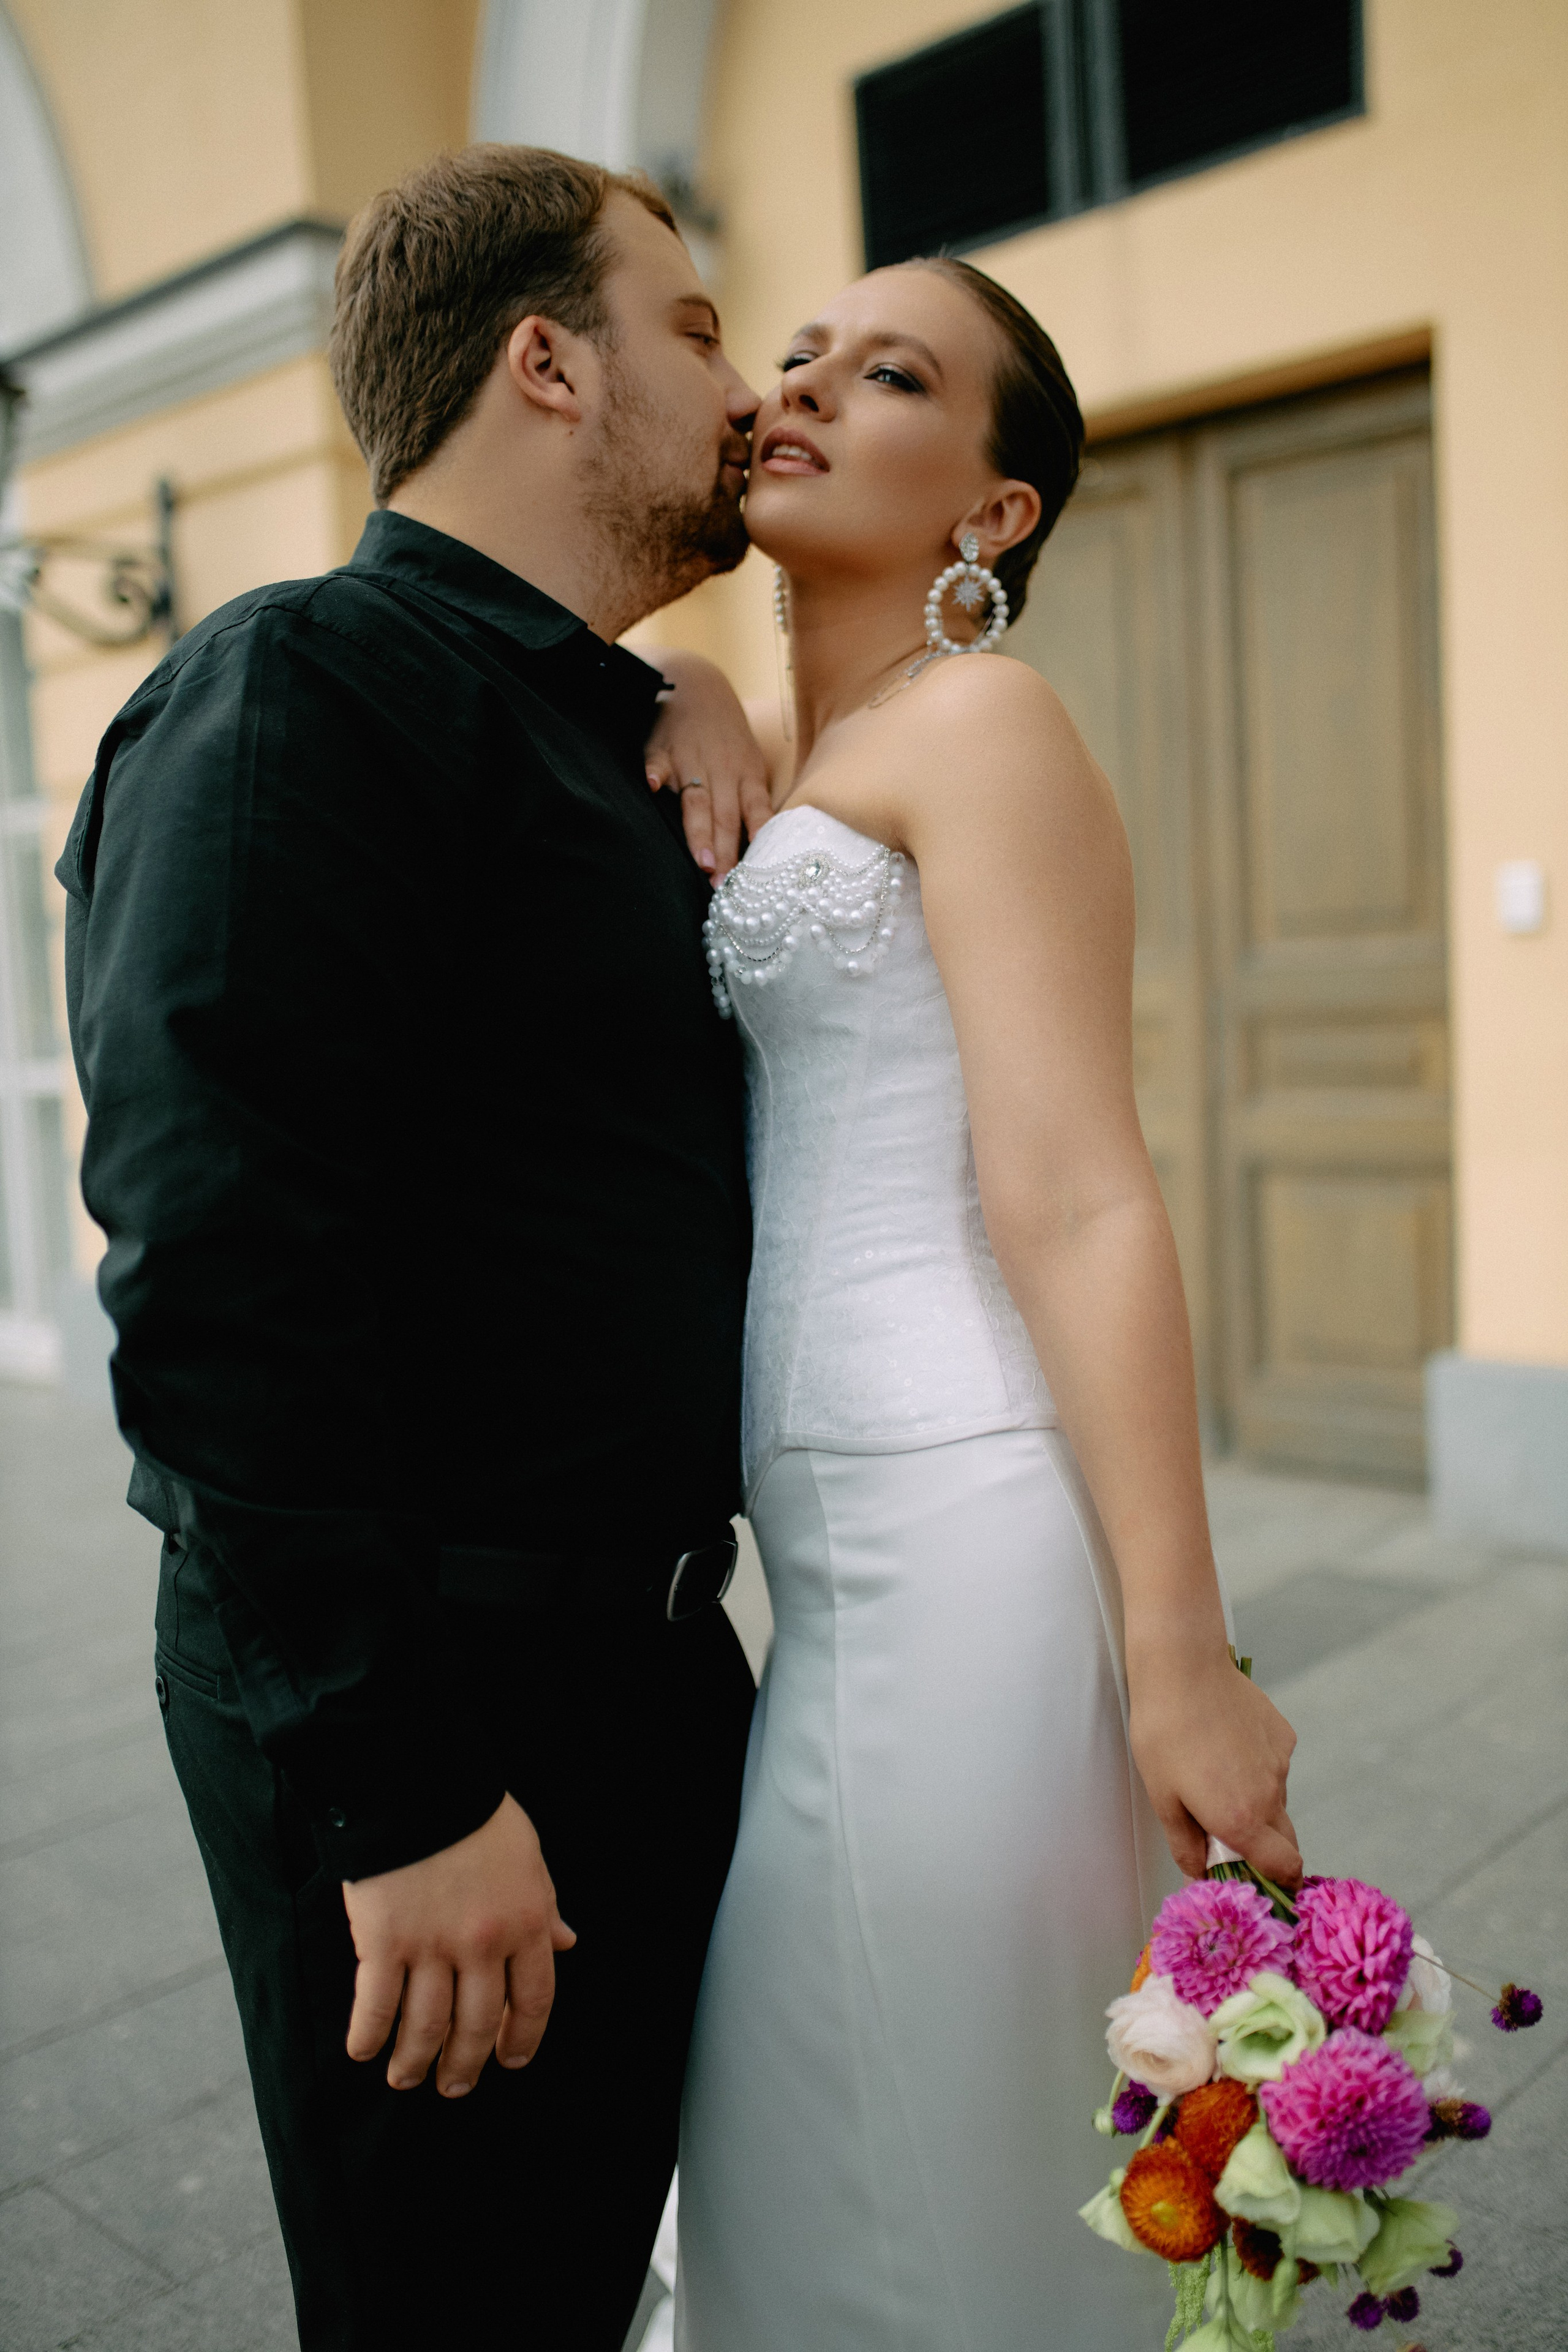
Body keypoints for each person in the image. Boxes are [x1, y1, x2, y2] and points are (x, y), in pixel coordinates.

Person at [57, 146, 772, 2351]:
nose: (741, 390)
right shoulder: (303, 694)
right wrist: (409, 1787)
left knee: (592, 2284)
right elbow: (214, 1263)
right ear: (544, 363)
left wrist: (707, 699)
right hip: (442, 1711)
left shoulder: (620, 736)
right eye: (694, 329)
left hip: (661, 1673)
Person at [646, 259, 1305, 2350]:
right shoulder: (802, 743)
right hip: (829, 1568)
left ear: (993, 515)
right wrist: (684, 701)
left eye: (896, 372)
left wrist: (1179, 1654)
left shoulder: (993, 726)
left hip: (958, 1529)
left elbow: (1085, 1193)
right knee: (838, 2140)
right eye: (806, 350)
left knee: (916, 2163)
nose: (810, 382)